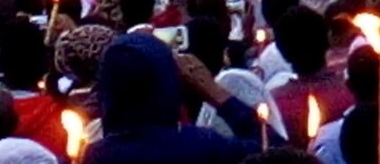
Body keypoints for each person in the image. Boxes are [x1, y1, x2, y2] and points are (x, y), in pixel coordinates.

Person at [84, 34, 259, 164]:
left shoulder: (95, 155)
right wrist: (216, 94)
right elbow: (271, 149)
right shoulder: (202, 147)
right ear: (168, 80)